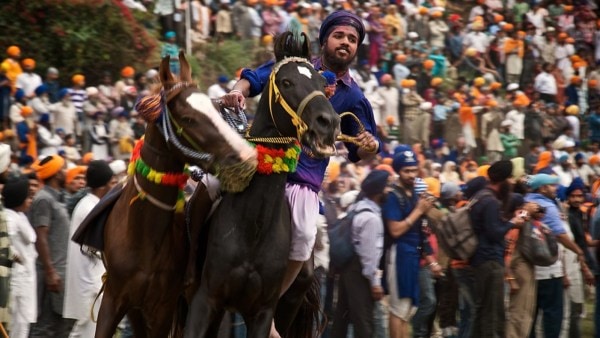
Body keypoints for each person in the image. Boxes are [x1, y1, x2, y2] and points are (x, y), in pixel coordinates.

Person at [220, 11, 381, 337]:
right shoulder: (295, 66)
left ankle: (266, 303)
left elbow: (361, 152)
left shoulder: (355, 97)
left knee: (306, 237)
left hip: (302, 181)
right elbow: (254, 77)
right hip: (257, 164)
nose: (345, 43)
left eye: (352, 40)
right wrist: (238, 91)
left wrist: (369, 145)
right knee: (206, 190)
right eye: (340, 36)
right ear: (324, 40)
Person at [525, 174, 594, 338]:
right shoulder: (546, 206)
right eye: (552, 185)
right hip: (549, 271)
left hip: (530, 270)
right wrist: (578, 251)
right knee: (553, 316)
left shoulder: (525, 202)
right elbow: (560, 235)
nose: (555, 188)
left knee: (531, 317)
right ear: (542, 188)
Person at [383, 146, 441, 338]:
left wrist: (431, 261)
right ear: (398, 171)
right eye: (406, 171)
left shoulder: (415, 195)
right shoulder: (393, 195)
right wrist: (418, 210)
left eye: (414, 170)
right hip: (399, 254)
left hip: (413, 255)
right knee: (398, 310)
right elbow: (395, 230)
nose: (411, 175)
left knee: (407, 311)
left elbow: (422, 231)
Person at [469, 160, 529, 338]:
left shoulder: (480, 196)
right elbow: (494, 233)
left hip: (480, 259)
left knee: (481, 311)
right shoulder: (491, 202)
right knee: (492, 312)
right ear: (503, 180)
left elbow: (488, 226)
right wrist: (513, 223)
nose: (512, 183)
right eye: (510, 178)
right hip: (489, 262)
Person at [330, 170, 388, 338]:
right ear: (378, 192)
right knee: (363, 322)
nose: (388, 191)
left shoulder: (356, 208)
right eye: (386, 187)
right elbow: (369, 254)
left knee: (342, 318)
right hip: (360, 272)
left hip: (348, 269)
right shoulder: (371, 218)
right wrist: (375, 283)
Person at [64, 160, 116, 337]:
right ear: (103, 186)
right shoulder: (89, 207)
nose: (114, 187)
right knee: (88, 329)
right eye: (112, 183)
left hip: (91, 278)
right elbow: (89, 247)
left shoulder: (91, 204)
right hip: (89, 280)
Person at [29, 155, 75, 337]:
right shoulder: (43, 199)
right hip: (52, 274)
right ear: (56, 174)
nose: (67, 172)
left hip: (61, 273)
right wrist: (50, 272)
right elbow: (41, 237)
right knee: (45, 328)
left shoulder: (58, 198)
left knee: (60, 326)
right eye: (64, 169)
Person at [4, 176, 36, 338]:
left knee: (23, 326)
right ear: (18, 199)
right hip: (16, 282)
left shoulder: (21, 216)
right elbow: (5, 242)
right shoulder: (9, 218)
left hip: (26, 280)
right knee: (18, 328)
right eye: (27, 197)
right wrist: (13, 255)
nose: (30, 200)